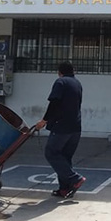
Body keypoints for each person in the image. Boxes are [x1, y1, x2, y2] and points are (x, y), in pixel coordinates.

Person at [35, 62, 86, 199]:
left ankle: (75, 178)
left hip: (62, 126)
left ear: (59, 72)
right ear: (73, 71)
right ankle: (64, 189)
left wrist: (44, 121)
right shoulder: (77, 83)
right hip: (76, 127)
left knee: (51, 153)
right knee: (64, 158)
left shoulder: (61, 82)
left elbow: (54, 103)